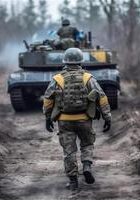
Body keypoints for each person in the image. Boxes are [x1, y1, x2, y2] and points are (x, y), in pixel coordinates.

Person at [42, 48, 112, 190]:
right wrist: (107, 117)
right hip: (84, 119)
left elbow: (48, 100)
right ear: (81, 61)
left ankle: (73, 181)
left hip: (64, 121)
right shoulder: (88, 78)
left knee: (69, 151)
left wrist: (47, 118)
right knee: (87, 144)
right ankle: (86, 166)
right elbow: (102, 98)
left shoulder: (57, 79)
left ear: (65, 62)